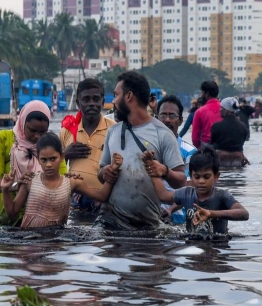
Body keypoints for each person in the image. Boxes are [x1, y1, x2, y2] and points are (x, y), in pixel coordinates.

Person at [97, 70, 186, 230]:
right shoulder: (113, 131)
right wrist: (106, 172)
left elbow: (181, 181)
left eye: (116, 95)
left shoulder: (163, 134)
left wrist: (165, 171)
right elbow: (101, 173)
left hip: (146, 226)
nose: (114, 101)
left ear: (129, 96)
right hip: (110, 223)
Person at [1, 132, 123, 228]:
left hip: (57, 241)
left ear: (62, 157)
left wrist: (112, 170)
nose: (49, 164)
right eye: (44, 160)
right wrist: (5, 190)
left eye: (53, 159)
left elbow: (102, 196)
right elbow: (12, 213)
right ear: (38, 159)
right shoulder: (30, 181)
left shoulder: (71, 182)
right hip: (30, 241)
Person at [0, 101, 66, 226]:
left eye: (42, 132)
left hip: (38, 218)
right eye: (32, 130)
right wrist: (16, 185)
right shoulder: (4, 139)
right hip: (0, 216)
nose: (37, 137)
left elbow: (63, 180)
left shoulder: (52, 145)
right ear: (22, 122)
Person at [146, 145, 249, 236]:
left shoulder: (222, 196)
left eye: (206, 177)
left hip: (218, 246)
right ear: (190, 176)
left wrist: (211, 214)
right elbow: (163, 195)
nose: (201, 181)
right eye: (197, 177)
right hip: (192, 247)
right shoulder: (187, 193)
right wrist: (152, 167)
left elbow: (244, 213)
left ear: (216, 176)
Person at [59, 78, 115, 214]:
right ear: (78, 103)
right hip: (74, 202)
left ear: (102, 102)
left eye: (96, 99)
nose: (91, 104)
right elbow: (52, 166)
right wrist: (65, 154)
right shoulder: (67, 130)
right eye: (86, 99)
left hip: (106, 201)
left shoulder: (114, 129)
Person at [156, 95, 198, 224]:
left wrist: (170, 211)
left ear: (180, 121)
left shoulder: (190, 152)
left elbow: (190, 190)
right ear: (156, 119)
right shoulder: (148, 149)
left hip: (179, 220)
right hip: (151, 217)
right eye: (163, 115)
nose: (167, 120)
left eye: (172, 116)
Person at [210, 97, 249, 167]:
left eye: (221, 108)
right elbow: (241, 144)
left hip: (221, 159)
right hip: (238, 159)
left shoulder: (217, 126)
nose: (219, 110)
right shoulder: (243, 126)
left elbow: (212, 143)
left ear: (227, 110)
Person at [191, 80, 222, 149]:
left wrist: (200, 148)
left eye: (202, 92)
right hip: (224, 148)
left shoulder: (200, 112)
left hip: (206, 149)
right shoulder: (225, 109)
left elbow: (195, 138)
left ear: (207, 93)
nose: (201, 95)